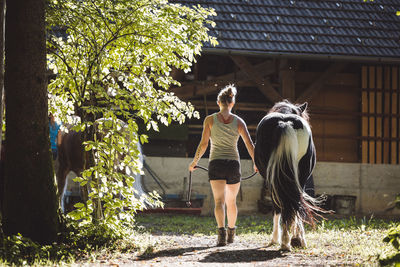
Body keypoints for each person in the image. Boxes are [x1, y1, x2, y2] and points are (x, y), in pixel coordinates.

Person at [189, 84, 257, 246]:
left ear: (218, 102)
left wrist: (194, 162)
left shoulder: (210, 120)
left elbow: (203, 144)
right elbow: (249, 145)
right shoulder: (239, 121)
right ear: (232, 103)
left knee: (219, 202)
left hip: (216, 164)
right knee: (231, 202)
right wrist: (257, 163)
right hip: (233, 164)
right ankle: (231, 233)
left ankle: (221, 235)